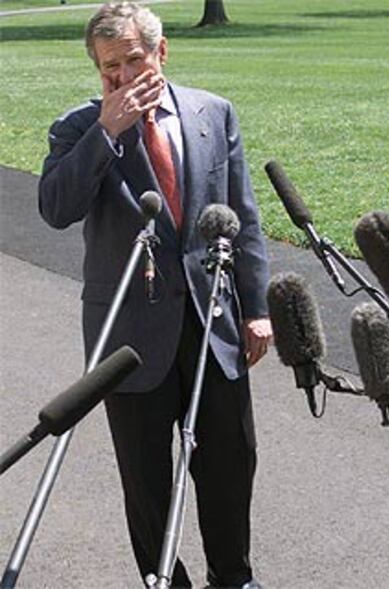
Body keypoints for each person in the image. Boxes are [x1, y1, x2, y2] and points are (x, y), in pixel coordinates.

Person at [39, 3, 273, 587]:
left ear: (161, 52)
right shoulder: (77, 128)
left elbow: (241, 216)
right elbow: (56, 209)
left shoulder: (212, 114)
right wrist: (107, 131)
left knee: (230, 463)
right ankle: (163, 580)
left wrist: (259, 309)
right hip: (130, 341)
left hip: (210, 321)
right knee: (146, 480)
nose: (120, 77)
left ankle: (233, 576)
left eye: (132, 60)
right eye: (108, 67)